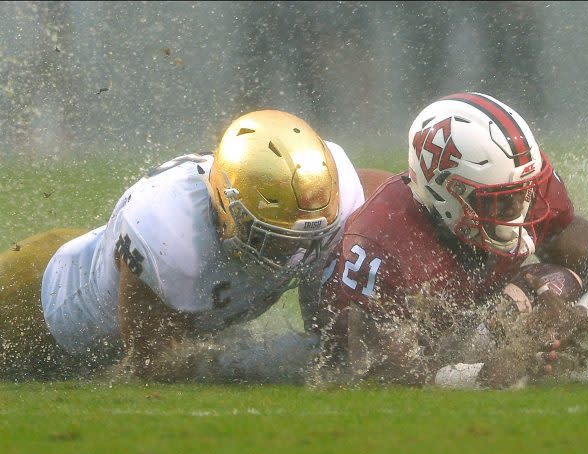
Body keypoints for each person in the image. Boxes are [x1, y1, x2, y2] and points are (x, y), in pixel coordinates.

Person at [0, 109, 392, 381]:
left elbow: (398, 200)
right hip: (34, 301)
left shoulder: (325, 187)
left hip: (86, 262)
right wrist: (288, 356)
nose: (293, 252)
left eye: (310, 236)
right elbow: (154, 364)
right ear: (227, 210)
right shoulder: (166, 237)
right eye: (270, 237)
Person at [313, 92, 588, 389]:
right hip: (373, 339)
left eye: (524, 192)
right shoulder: (384, 239)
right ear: (445, 194)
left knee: (556, 284)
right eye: (501, 200)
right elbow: (378, 366)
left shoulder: (524, 191)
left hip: (470, 312)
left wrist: (580, 315)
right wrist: (480, 376)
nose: (522, 209)